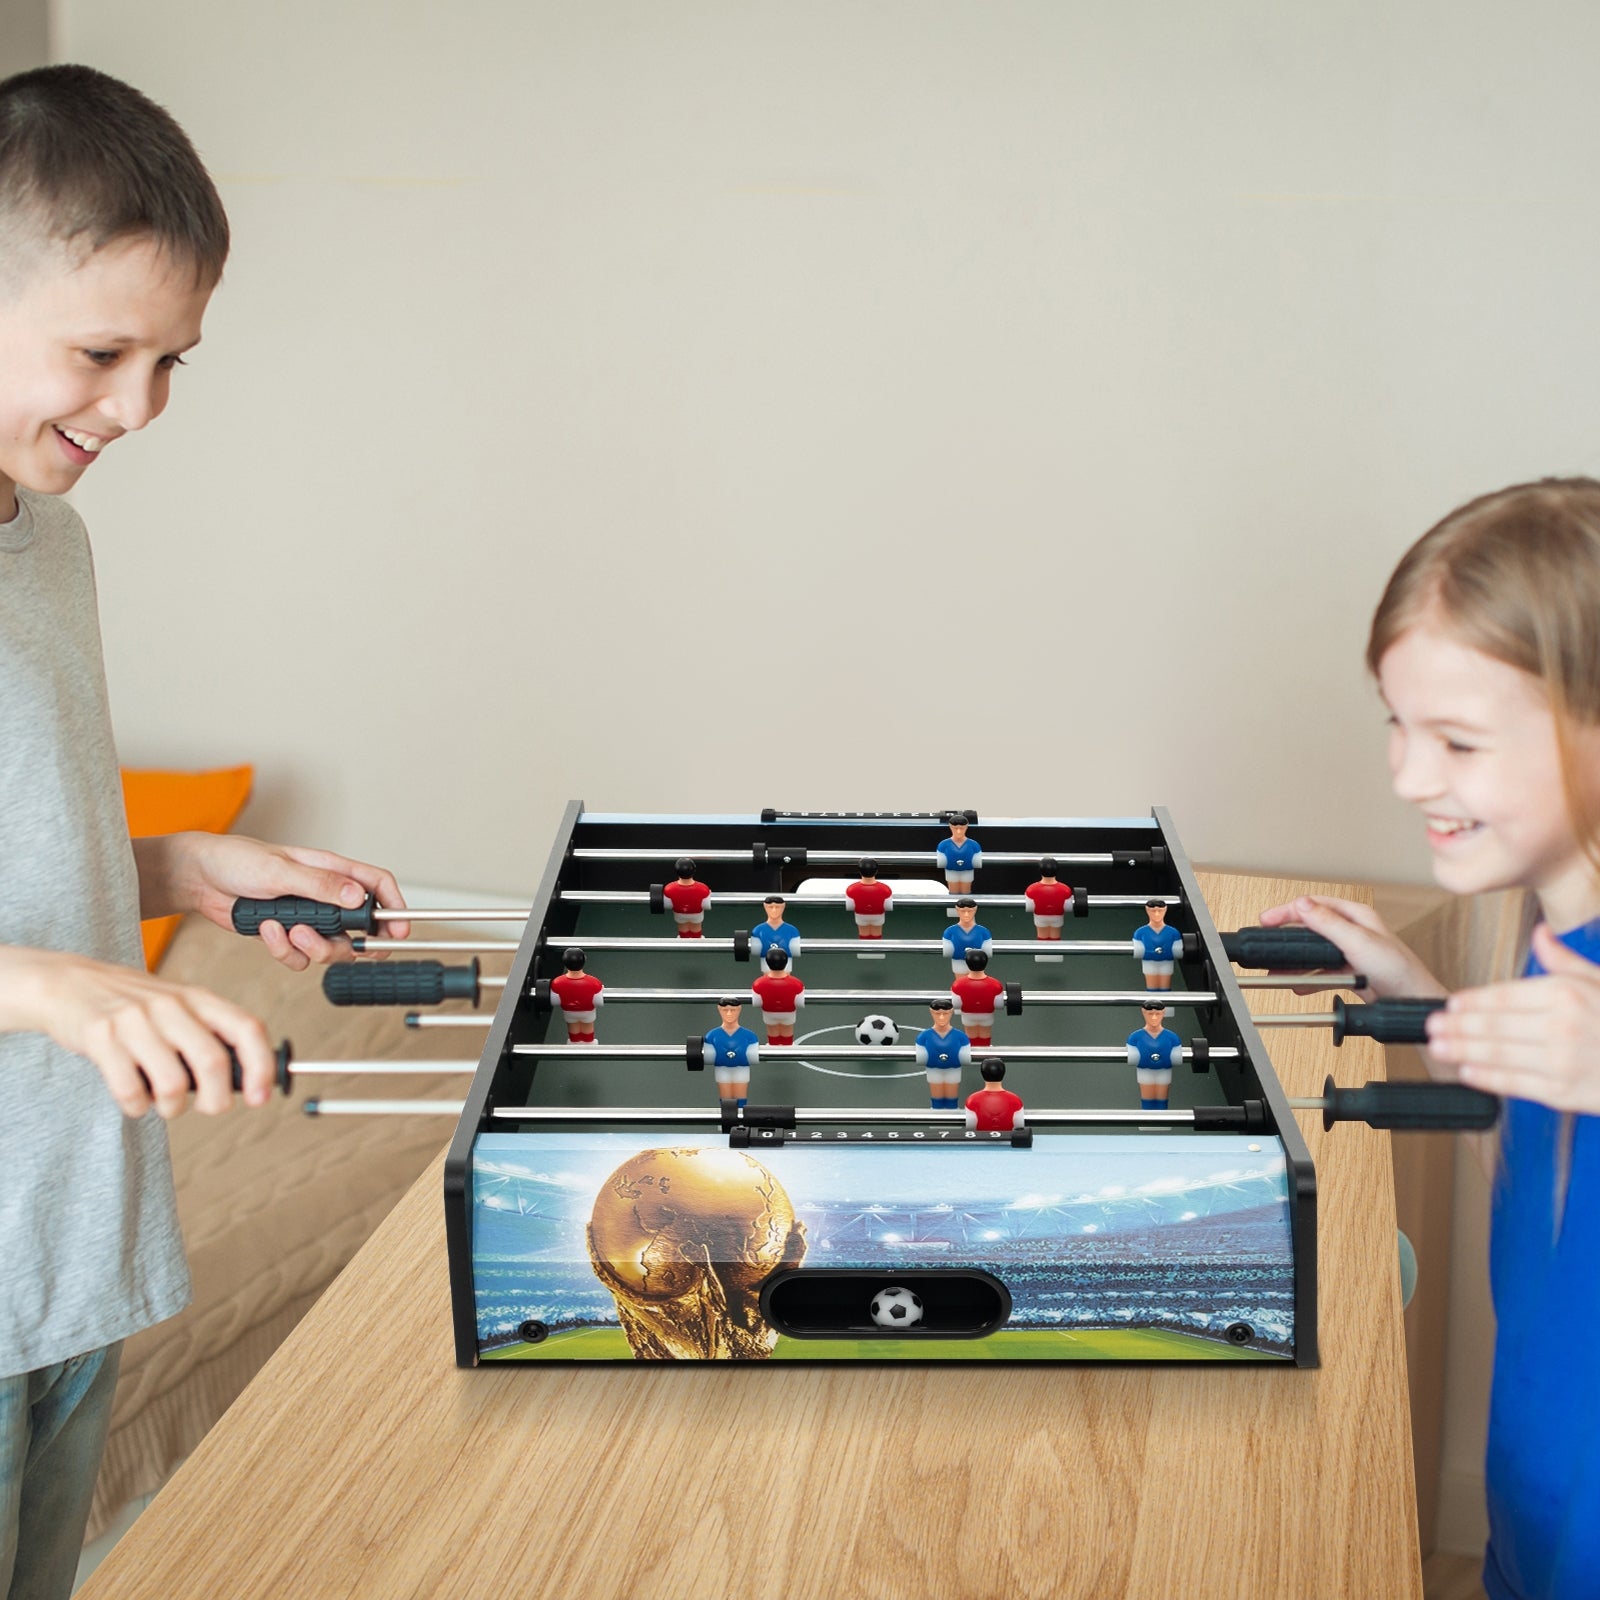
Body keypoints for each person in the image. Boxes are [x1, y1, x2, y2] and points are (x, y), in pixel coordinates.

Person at [0, 66, 409, 1600]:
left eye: (172, 360)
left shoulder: (50, 543)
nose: (140, 407)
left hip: (65, 1248)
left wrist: (177, 870)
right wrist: (48, 988)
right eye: (102, 351)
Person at [1256, 479, 1600, 1600]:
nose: (1407, 774)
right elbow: (1542, 1178)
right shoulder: (1556, 947)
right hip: (1528, 1540)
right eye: (1398, 724)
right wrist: (1416, 995)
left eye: (1455, 739)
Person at [702, 998, 760, 1113]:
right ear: (719, 1010)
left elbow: (753, 1057)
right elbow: (709, 1057)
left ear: (739, 1010)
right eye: (725, 1010)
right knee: (726, 1097)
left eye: (733, 1010)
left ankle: (740, 1121)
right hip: (722, 1070)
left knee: (740, 1096)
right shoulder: (712, 1035)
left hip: (741, 1070)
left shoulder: (749, 1036)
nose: (729, 1014)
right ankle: (726, 1119)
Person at [913, 999, 970, 1110]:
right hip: (934, 1070)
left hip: (953, 1070)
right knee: (937, 1099)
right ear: (931, 1012)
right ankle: (937, 1117)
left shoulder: (960, 1036)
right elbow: (920, 1057)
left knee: (952, 1099)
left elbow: (966, 1057)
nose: (942, 1017)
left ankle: (952, 1118)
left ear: (952, 1012)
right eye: (937, 1014)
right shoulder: (923, 1036)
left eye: (945, 1013)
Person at [1125, 1001, 1182, 1108]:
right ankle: (1147, 1123)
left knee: (1162, 1101)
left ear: (1163, 1013)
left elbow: (1177, 1058)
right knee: (1147, 1101)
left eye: (1158, 1014)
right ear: (1143, 1013)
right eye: (1150, 1014)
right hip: (1145, 1072)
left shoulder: (1172, 1037)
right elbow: (1132, 1058)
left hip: (1164, 1072)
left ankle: (1163, 1123)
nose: (1154, 1018)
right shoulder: (1135, 1037)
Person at [950, 949, 1004, 1047]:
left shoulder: (958, 984)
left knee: (970, 1034)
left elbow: (956, 1004)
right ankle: (985, 1052)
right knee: (985, 1034)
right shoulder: (996, 984)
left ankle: (972, 1053)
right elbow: (999, 1004)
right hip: (987, 1015)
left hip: (968, 1015)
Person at [750, 947, 804, 1045]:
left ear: (767, 963)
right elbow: (800, 1002)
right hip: (789, 1013)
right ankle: (788, 1046)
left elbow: (756, 1002)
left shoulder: (758, 983)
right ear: (786, 962)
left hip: (768, 1013)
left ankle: (773, 1046)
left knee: (772, 1029)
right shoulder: (796, 983)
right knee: (787, 1029)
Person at [549, 947, 603, 1043]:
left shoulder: (557, 982)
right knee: (587, 1027)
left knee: (573, 1028)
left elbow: (555, 1001)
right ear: (584, 961)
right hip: (588, 1012)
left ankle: (574, 1043)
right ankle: (589, 1043)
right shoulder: (594, 982)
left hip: (569, 1012)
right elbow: (599, 1002)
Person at [1130, 899, 1182, 991]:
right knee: (1152, 989)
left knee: (1165, 989)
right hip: (1149, 963)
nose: (1157, 914)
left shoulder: (1173, 932)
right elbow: (1138, 951)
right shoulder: (1140, 932)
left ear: (1165, 910)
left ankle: (1167, 1005)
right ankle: (1150, 1005)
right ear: (1147, 910)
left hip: (1166, 963)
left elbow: (1178, 951)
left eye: (1160, 911)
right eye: (1153, 911)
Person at [964, 1057, 1025, 1131]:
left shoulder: (972, 1100)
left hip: (981, 1141)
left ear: (982, 1073)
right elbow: (1019, 1128)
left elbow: (970, 1128)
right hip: (1007, 1141)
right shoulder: (1015, 1100)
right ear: (1003, 1072)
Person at [1023, 858, 1074, 941]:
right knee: (1055, 937)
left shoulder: (1031, 889)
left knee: (1042, 937)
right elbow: (1068, 907)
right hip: (1057, 917)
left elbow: (1029, 907)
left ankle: (1042, 953)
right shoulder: (1065, 889)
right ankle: (1056, 953)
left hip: (1040, 917)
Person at [940, 898, 993, 976]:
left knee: (976, 984)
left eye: (970, 911)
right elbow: (947, 952)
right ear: (957, 910)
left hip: (978, 964)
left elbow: (988, 952)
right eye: (963, 911)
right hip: (958, 963)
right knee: (960, 985)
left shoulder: (984, 931)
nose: (966, 914)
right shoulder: (949, 931)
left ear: (975, 910)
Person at [662, 858, 711, 938]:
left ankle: (684, 942)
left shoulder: (669, 888)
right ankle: (697, 942)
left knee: (683, 928)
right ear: (694, 870)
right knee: (696, 928)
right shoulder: (703, 888)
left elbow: (668, 904)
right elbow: (706, 905)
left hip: (679, 914)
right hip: (697, 914)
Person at [844, 859, 892, 941]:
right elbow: (888, 906)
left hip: (860, 916)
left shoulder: (851, 889)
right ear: (876, 871)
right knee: (877, 935)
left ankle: (863, 952)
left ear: (859, 871)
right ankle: (877, 952)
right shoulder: (885, 889)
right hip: (878, 916)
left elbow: (849, 906)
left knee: (863, 935)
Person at [750, 895, 802, 964]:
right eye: (770, 907)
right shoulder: (757, 931)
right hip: (765, 966)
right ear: (765, 907)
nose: (774, 910)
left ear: (783, 907)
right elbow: (755, 951)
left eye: (777, 907)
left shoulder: (792, 930)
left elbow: (795, 951)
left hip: (787, 966)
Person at [936, 818, 982, 892]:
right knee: (953, 892)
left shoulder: (974, 845)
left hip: (967, 872)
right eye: (955, 828)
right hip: (951, 872)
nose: (958, 831)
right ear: (950, 827)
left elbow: (977, 863)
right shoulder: (943, 845)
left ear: (966, 827)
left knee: (966, 892)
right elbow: (941, 863)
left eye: (962, 828)